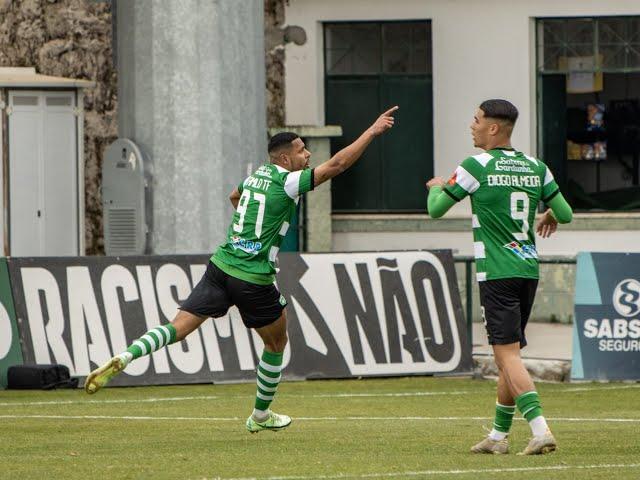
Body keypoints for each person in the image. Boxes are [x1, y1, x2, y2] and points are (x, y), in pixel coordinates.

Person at [84, 106, 399, 433]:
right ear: (284, 159)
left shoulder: (254, 177)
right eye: (302, 150)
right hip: (253, 278)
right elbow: (338, 164)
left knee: (178, 327)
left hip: (221, 266)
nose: (307, 155)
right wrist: (372, 131)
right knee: (276, 344)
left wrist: (249, 230)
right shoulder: (288, 182)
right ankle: (261, 416)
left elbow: (234, 196)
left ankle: (127, 354)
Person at [425, 99, 573, 455]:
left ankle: (540, 430)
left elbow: (435, 210)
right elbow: (565, 213)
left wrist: (434, 186)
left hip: (496, 272)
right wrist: (549, 213)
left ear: (493, 128)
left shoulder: (475, 166)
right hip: (527, 270)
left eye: (476, 120)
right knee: (511, 353)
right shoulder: (536, 167)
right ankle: (498, 436)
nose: (471, 125)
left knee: (506, 356)